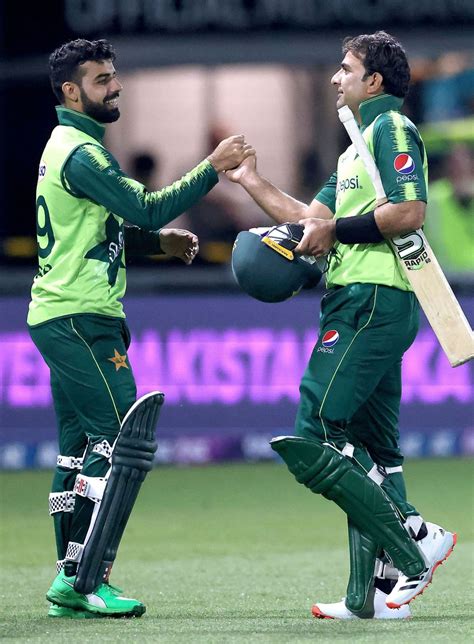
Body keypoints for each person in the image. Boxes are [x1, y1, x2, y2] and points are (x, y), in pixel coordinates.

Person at [227, 31, 456, 620]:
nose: (335, 78)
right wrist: (251, 181)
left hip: (372, 301)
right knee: (376, 448)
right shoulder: (355, 149)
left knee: (317, 427)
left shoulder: (392, 130)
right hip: (356, 298)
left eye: (346, 69)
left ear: (374, 81)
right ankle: (369, 598)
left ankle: (411, 544)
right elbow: (312, 222)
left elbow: (408, 213)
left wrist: (339, 233)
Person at [27, 38, 255, 619]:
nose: (116, 85)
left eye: (114, 75)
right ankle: (88, 579)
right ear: (71, 92)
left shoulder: (67, 149)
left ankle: (68, 581)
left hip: (62, 315)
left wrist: (156, 244)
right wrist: (213, 167)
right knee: (122, 444)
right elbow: (148, 207)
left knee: (78, 452)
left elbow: (107, 231)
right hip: (81, 318)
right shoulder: (82, 153)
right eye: (103, 79)